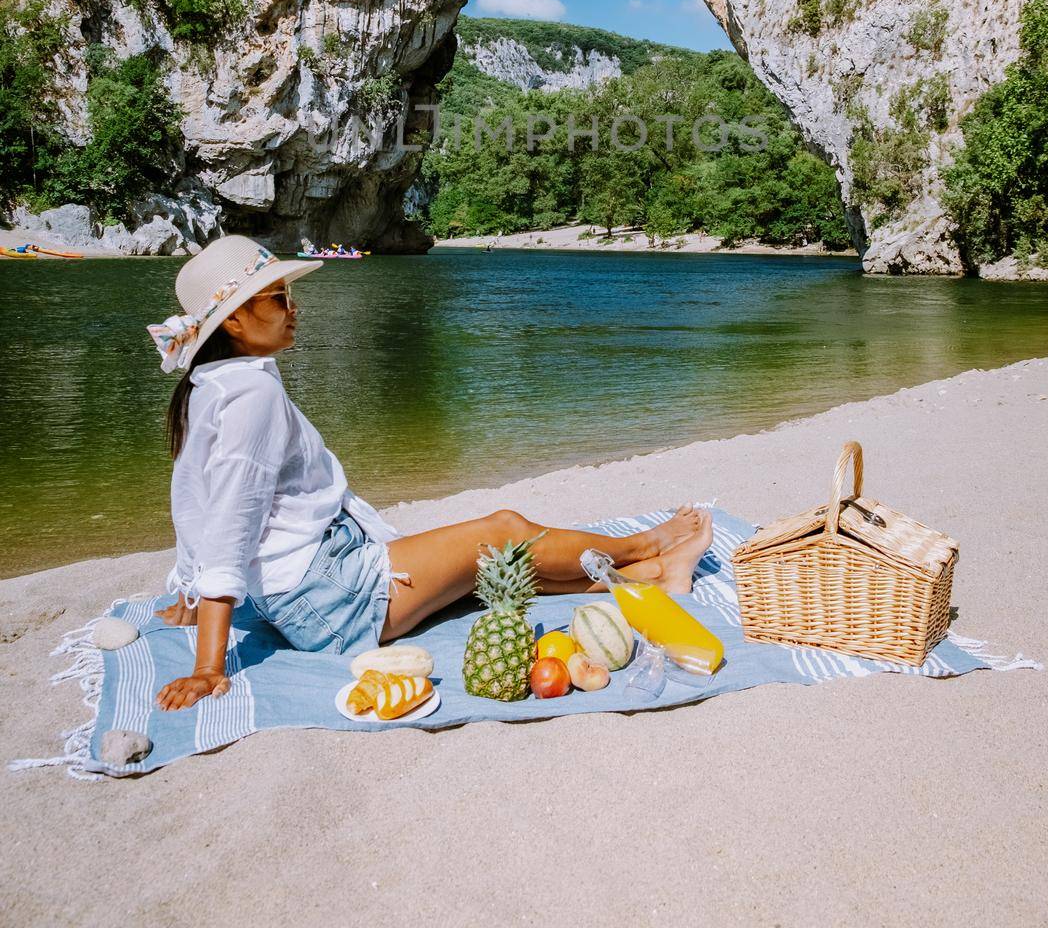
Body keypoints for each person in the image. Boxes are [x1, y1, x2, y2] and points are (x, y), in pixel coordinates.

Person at [149, 235, 714, 711]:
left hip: (314, 590)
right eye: (277, 298)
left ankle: (654, 575)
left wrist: (191, 593)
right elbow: (230, 517)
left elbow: (194, 497)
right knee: (505, 530)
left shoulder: (209, 387)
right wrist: (207, 664)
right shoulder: (250, 395)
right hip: (332, 598)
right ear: (237, 320)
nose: (294, 307)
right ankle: (642, 545)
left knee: (498, 568)